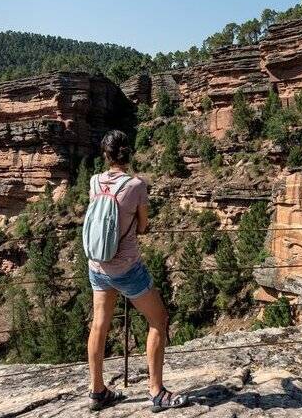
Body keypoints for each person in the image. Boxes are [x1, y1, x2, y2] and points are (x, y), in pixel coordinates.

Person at [86, 129, 189, 412]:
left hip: (97, 265)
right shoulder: (136, 185)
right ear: (128, 154)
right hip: (126, 268)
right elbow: (143, 225)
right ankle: (156, 392)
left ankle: (97, 392)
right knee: (159, 319)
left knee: (99, 324)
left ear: (105, 155)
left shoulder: (94, 181)